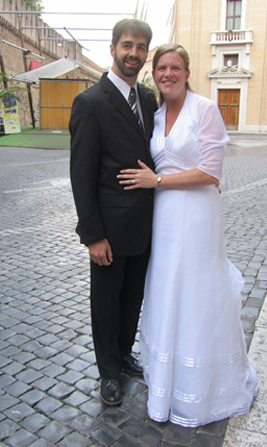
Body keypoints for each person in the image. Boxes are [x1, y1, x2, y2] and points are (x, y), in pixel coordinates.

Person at [118, 43, 259, 427]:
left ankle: (200, 385)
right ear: (155, 73)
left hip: (197, 215)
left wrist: (157, 179)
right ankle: (167, 381)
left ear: (187, 71)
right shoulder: (158, 113)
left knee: (196, 291)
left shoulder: (205, 109)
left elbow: (211, 173)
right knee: (167, 289)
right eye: (162, 67)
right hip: (163, 216)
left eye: (175, 67)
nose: (168, 74)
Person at [69, 18, 157, 407]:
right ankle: (108, 372)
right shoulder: (90, 102)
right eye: (127, 46)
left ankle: (123, 355)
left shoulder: (149, 100)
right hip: (108, 230)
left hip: (146, 226)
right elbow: (81, 175)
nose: (133, 54)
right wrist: (92, 235)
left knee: (132, 298)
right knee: (105, 303)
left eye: (140, 47)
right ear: (113, 49)